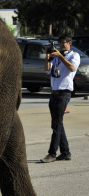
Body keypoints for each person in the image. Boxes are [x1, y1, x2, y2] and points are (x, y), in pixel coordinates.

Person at [41, 35, 80, 163]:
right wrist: (48, 56)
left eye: (63, 43)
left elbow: (72, 68)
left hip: (64, 93)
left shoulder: (74, 56)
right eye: (59, 43)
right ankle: (65, 152)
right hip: (54, 93)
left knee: (56, 124)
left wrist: (61, 57)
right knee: (58, 123)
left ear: (70, 43)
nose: (61, 45)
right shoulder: (56, 58)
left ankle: (52, 154)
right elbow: (47, 69)